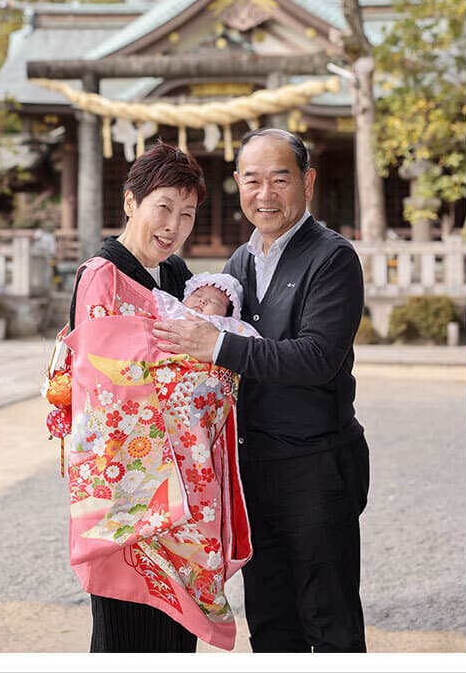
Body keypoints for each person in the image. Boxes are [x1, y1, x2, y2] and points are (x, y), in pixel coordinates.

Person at [153, 127, 370, 653]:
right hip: (252, 468)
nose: (265, 194)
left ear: (308, 182)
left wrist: (217, 347)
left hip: (317, 464)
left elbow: (317, 357)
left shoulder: (333, 258)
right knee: (271, 622)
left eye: (280, 179)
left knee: (330, 617)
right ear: (237, 184)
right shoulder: (239, 264)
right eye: (252, 180)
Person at [54, 141, 252, 653]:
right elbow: (109, 385)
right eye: (163, 207)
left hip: (181, 481)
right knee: (125, 634)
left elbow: (201, 347)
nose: (173, 226)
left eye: (187, 215)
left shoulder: (180, 276)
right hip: (133, 487)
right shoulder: (102, 274)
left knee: (172, 639)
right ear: (130, 203)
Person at [152, 272, 260, 341]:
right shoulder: (177, 308)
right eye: (198, 295)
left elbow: (253, 344)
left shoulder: (229, 324)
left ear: (227, 313)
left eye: (215, 302)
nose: (203, 301)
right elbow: (152, 303)